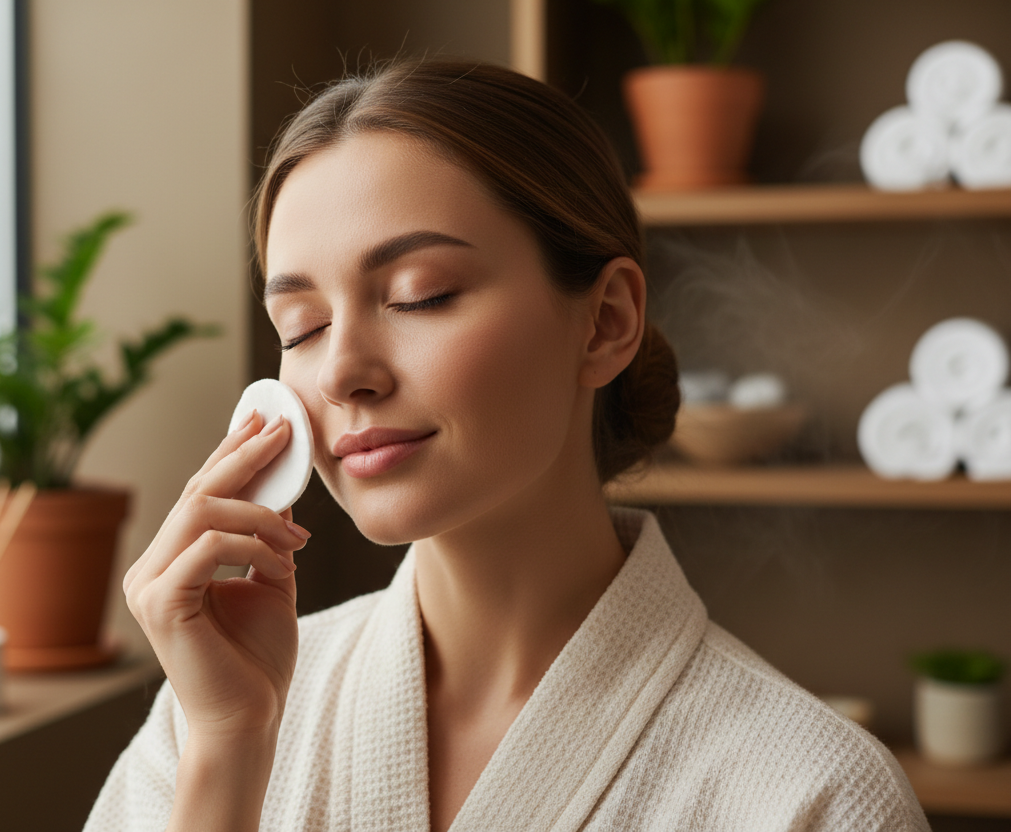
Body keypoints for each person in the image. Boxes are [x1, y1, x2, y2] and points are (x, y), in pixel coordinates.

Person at [85, 58, 928, 832]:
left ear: (606, 322)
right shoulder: (212, 711)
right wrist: (229, 753)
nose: (341, 372)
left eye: (421, 295)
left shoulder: (811, 796)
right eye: (301, 327)